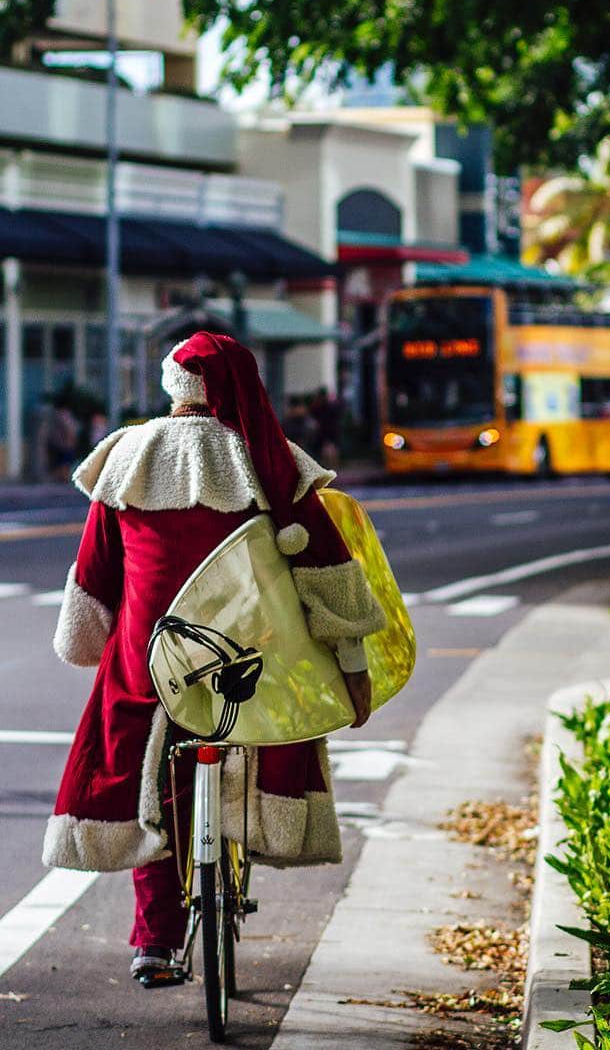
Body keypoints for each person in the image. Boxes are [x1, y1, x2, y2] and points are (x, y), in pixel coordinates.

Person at [44, 332, 385, 982]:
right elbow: (325, 572)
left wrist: (85, 647)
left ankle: (155, 942)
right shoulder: (268, 462)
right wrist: (351, 665)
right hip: (250, 663)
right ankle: (235, 847)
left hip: (153, 662)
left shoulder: (126, 456)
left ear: (172, 387)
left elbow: (93, 579)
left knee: (152, 788)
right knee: (254, 733)